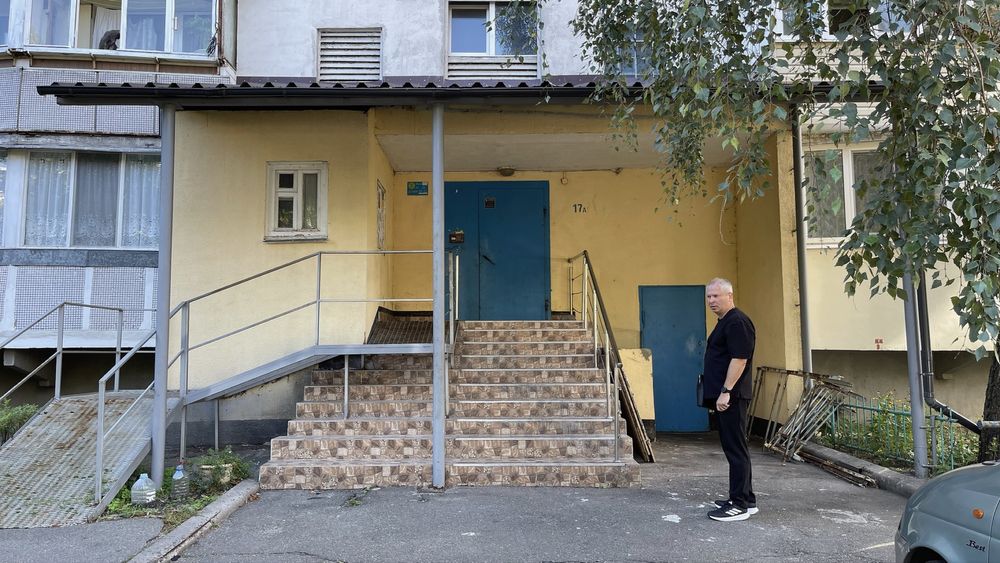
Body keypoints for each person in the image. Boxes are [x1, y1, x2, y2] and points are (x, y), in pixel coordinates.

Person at [702, 278, 757, 522]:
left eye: (716, 296)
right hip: (726, 396)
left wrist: (725, 391)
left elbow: (740, 359)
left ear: (730, 296)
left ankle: (739, 504)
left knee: (736, 450)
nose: (711, 301)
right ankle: (747, 499)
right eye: (709, 297)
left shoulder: (737, 322)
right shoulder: (726, 321)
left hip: (732, 397)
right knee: (735, 448)